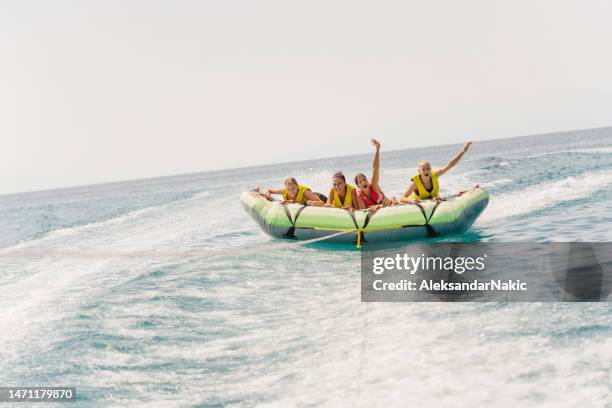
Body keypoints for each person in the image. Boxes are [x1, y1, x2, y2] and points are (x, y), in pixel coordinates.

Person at [401, 142, 473, 204]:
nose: (426, 171)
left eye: (428, 168)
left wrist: (463, 151)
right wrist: (412, 201)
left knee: (458, 194)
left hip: (434, 201)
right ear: (419, 171)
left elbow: (450, 165)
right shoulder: (415, 184)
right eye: (423, 169)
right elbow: (403, 198)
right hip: (418, 205)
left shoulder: (435, 175)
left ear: (431, 169)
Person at [354, 138, 397, 210]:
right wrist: (374, 207)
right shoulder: (359, 196)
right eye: (360, 182)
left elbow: (375, 168)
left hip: (389, 205)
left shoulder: (373, 185)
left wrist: (377, 149)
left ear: (367, 181)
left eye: (364, 180)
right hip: (376, 214)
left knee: (393, 199)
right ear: (358, 186)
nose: (363, 182)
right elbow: (363, 210)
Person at [256, 177, 325, 206]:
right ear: (286, 189)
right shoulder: (284, 191)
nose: (291, 191)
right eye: (288, 190)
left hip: (318, 197)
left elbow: (322, 203)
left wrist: (306, 202)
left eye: (293, 188)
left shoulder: (305, 192)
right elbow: (268, 189)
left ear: (297, 187)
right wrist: (267, 193)